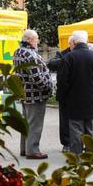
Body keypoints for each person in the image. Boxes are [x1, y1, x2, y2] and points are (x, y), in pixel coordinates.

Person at [56, 31, 93, 155]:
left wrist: (62, 97)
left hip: (74, 101)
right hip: (92, 100)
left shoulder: (68, 58)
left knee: (76, 130)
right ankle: (91, 155)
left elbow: (62, 81)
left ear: (74, 42)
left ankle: (76, 157)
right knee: (92, 130)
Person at [13, 29, 53, 159]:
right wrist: (48, 87)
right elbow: (37, 77)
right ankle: (33, 151)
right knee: (35, 124)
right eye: (36, 39)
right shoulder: (30, 54)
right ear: (30, 40)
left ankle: (25, 148)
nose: (38, 41)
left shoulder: (18, 51)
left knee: (26, 122)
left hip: (24, 93)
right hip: (35, 94)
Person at [48, 38, 72, 151]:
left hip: (79, 93)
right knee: (65, 120)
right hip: (65, 93)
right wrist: (66, 60)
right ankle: (66, 143)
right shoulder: (63, 54)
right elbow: (51, 63)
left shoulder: (84, 53)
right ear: (71, 43)